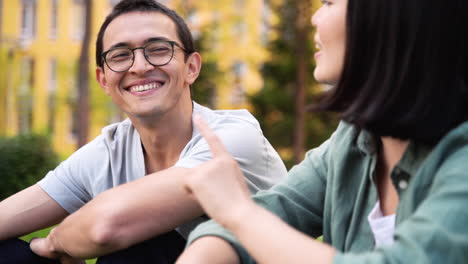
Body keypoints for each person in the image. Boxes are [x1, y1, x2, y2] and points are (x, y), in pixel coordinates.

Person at [176, 0, 468, 263]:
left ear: (390, 18)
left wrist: (238, 213)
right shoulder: (354, 138)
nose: (315, 18)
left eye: (328, 2)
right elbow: (277, 207)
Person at [0, 0, 287, 263]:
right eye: (121, 55)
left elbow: (106, 228)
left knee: (141, 240)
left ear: (191, 67)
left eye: (159, 50)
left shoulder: (232, 138)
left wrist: (51, 244)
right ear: (103, 79)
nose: (140, 66)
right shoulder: (109, 151)